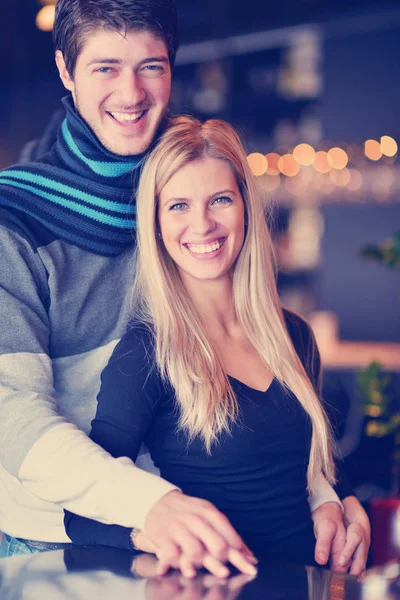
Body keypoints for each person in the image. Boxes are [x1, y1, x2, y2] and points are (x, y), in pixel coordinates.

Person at [0, 0, 369, 575]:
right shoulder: (16, 216)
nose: (131, 93)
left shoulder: (187, 166)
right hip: (60, 534)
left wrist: (324, 498)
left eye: (150, 66)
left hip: (193, 534)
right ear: (66, 72)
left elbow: (273, 431)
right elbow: (10, 412)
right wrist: (146, 504)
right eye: (104, 67)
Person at [63, 116, 368, 576]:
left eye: (219, 200)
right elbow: (82, 512)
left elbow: (306, 458)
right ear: (156, 224)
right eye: (179, 206)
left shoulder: (295, 336)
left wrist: (344, 502)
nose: (202, 224)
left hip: (308, 585)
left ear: (245, 206)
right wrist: (158, 536)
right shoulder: (147, 353)